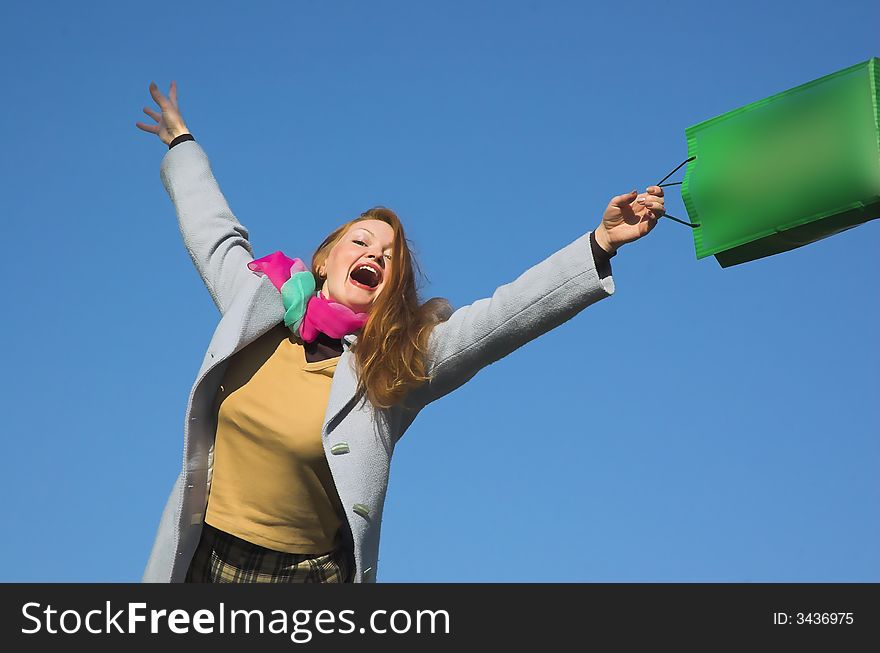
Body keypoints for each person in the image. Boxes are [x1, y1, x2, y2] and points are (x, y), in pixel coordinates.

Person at [135, 80, 666, 583]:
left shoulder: (396, 362)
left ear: (390, 289)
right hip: (206, 561)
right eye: (361, 242)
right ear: (325, 259)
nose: (375, 255)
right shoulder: (257, 303)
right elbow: (213, 230)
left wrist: (600, 242)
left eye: (389, 257)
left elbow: (503, 318)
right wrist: (181, 142)